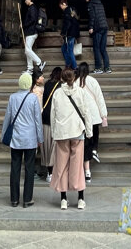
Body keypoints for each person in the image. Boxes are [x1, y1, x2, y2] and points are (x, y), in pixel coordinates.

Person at [50, 67, 92, 210]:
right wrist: (89, 131)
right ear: (74, 77)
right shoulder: (81, 92)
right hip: (77, 131)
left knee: (61, 165)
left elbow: (53, 115)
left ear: (62, 78)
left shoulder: (57, 93)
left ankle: (63, 199)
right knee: (77, 165)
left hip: (62, 133)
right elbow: (87, 112)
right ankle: (80, 198)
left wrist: (53, 133)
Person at [2, 71, 43, 207]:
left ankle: (14, 199)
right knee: (29, 168)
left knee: (15, 168)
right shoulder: (33, 98)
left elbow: (7, 118)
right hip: (30, 138)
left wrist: (4, 135)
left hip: (16, 138)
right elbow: (38, 120)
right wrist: (40, 138)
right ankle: (27, 199)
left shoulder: (12, 97)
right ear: (30, 84)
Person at [77, 61, 108, 182]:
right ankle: (94, 150)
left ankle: (86, 168)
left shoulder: (75, 82)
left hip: (81, 116)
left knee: (85, 140)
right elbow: (99, 98)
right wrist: (103, 115)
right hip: (94, 114)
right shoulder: (93, 81)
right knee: (94, 135)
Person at [41, 66, 62, 184]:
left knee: (46, 146)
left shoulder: (47, 84)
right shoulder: (60, 86)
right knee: (54, 146)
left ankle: (49, 172)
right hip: (55, 119)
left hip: (45, 117)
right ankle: (54, 171)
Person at [84, 0, 111, 73]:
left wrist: (91, 27)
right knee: (103, 49)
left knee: (96, 48)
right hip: (104, 27)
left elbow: (92, 16)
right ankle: (107, 68)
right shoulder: (100, 3)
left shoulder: (91, 4)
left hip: (97, 28)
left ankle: (98, 68)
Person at [22, 0, 44, 74]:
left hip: (32, 32)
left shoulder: (32, 8)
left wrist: (24, 25)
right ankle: (30, 68)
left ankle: (39, 62)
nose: (25, 1)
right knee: (28, 50)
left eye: (25, 0)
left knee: (27, 50)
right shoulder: (31, 8)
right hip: (30, 32)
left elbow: (33, 20)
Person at [59, 0, 80, 70]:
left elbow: (67, 24)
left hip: (69, 33)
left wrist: (63, 33)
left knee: (69, 50)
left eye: (61, 6)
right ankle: (68, 64)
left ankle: (74, 67)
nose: (61, 7)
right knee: (64, 49)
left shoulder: (66, 11)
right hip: (73, 32)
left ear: (64, 4)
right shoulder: (73, 10)